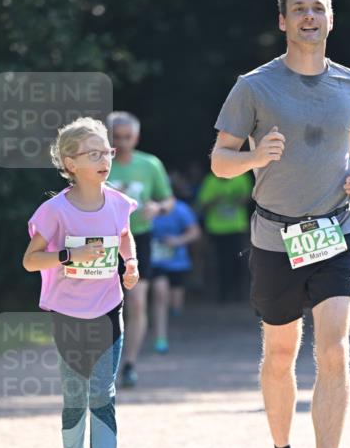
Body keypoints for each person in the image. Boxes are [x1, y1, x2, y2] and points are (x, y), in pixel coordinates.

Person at [211, 0, 350, 448]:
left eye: (319, 8)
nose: (310, 16)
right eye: (300, 9)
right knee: (281, 352)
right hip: (275, 237)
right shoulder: (254, 85)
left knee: (333, 347)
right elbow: (220, 162)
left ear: (331, 18)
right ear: (283, 22)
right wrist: (256, 158)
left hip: (333, 229)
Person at [22, 117, 139, 448]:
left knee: (103, 394)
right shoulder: (55, 211)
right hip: (68, 316)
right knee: (76, 397)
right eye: (93, 154)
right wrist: (70, 257)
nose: (104, 158)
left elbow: (124, 233)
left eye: (105, 151)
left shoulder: (120, 202)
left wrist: (131, 262)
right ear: (70, 163)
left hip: (108, 309)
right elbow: (30, 260)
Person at [105, 111, 174, 387]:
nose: (122, 143)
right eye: (117, 137)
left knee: (136, 302)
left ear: (137, 137)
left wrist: (157, 208)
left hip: (138, 239)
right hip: (102, 242)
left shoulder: (150, 164)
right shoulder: (99, 162)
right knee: (104, 306)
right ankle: (102, 363)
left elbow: (169, 200)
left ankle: (130, 364)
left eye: (128, 137)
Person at [150, 192, 201, 352]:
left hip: (177, 262)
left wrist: (178, 241)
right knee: (160, 294)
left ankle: (173, 321)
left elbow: (195, 232)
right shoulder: (141, 208)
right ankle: (160, 337)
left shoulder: (180, 209)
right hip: (154, 261)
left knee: (175, 303)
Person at [196, 170, 253, 302]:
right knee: (221, 262)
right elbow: (202, 203)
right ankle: (223, 294)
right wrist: (215, 201)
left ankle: (239, 293)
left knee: (239, 261)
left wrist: (237, 200)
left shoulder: (242, 177)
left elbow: (249, 197)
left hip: (237, 227)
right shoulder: (210, 180)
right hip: (216, 229)